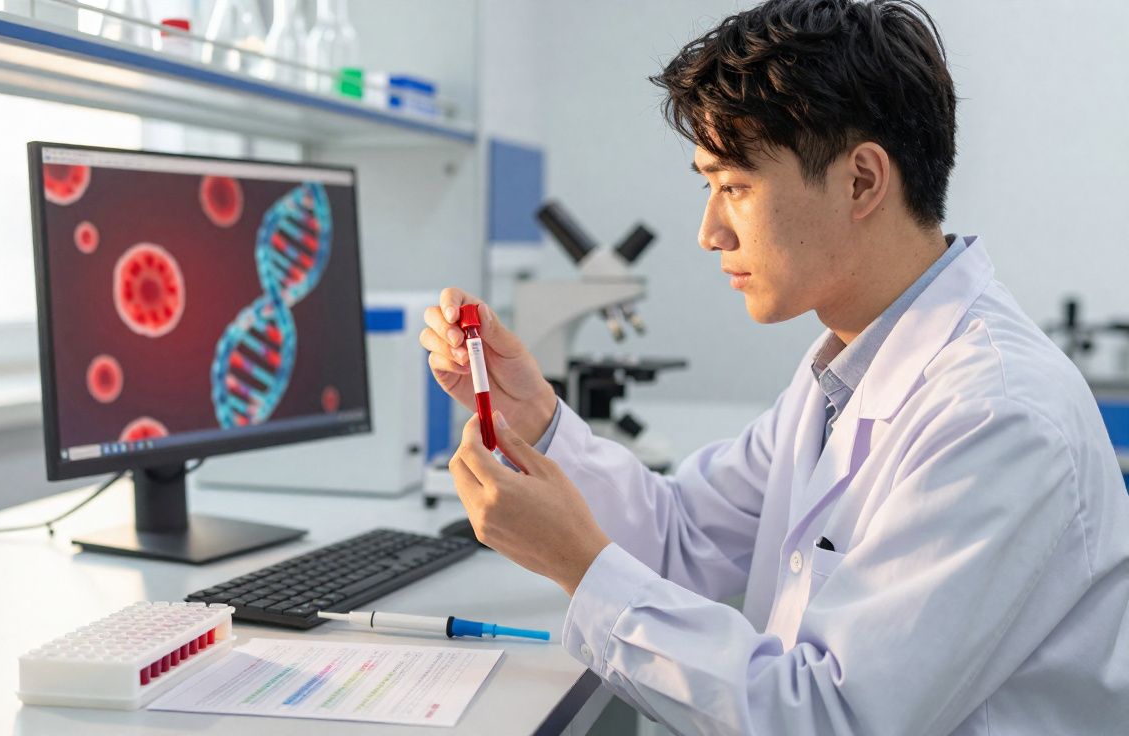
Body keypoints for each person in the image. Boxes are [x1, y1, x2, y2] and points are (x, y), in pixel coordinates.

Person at [419, 0, 1129, 733]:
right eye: (709, 187)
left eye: (735, 187)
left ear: (861, 182)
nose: (709, 231)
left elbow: (827, 717)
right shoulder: (842, 372)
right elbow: (680, 535)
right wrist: (535, 416)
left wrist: (582, 568)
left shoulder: (997, 417)